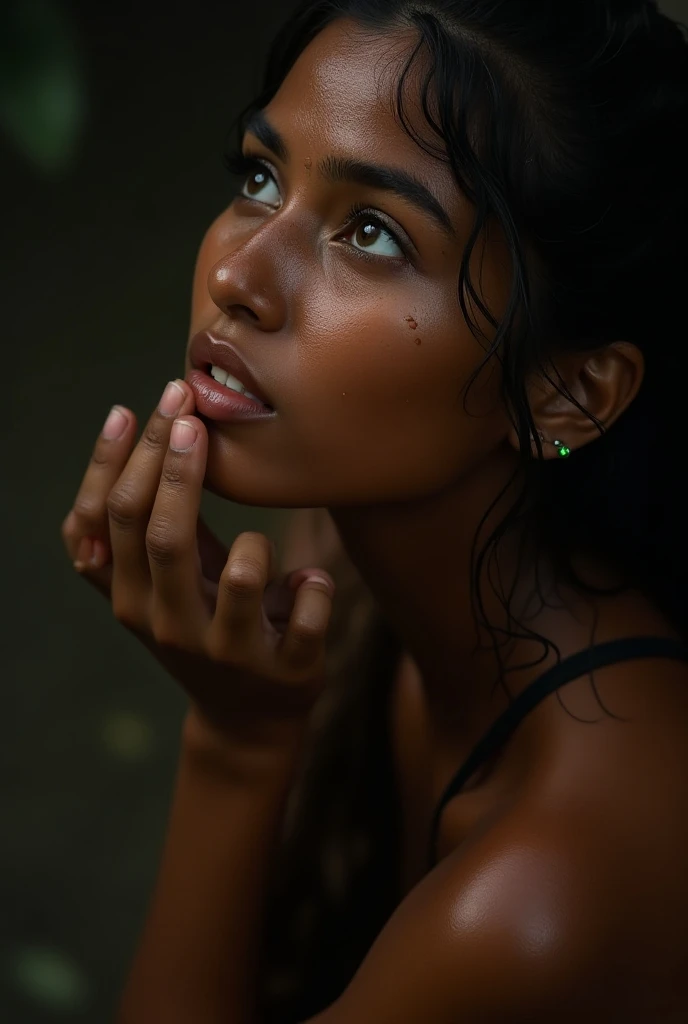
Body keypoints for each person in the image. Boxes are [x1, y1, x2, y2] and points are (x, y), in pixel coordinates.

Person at [61, 0, 688, 1020]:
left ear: (562, 394)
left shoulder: (546, 890)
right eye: (259, 178)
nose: (235, 273)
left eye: (371, 232)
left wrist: (236, 746)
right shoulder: (346, 571)